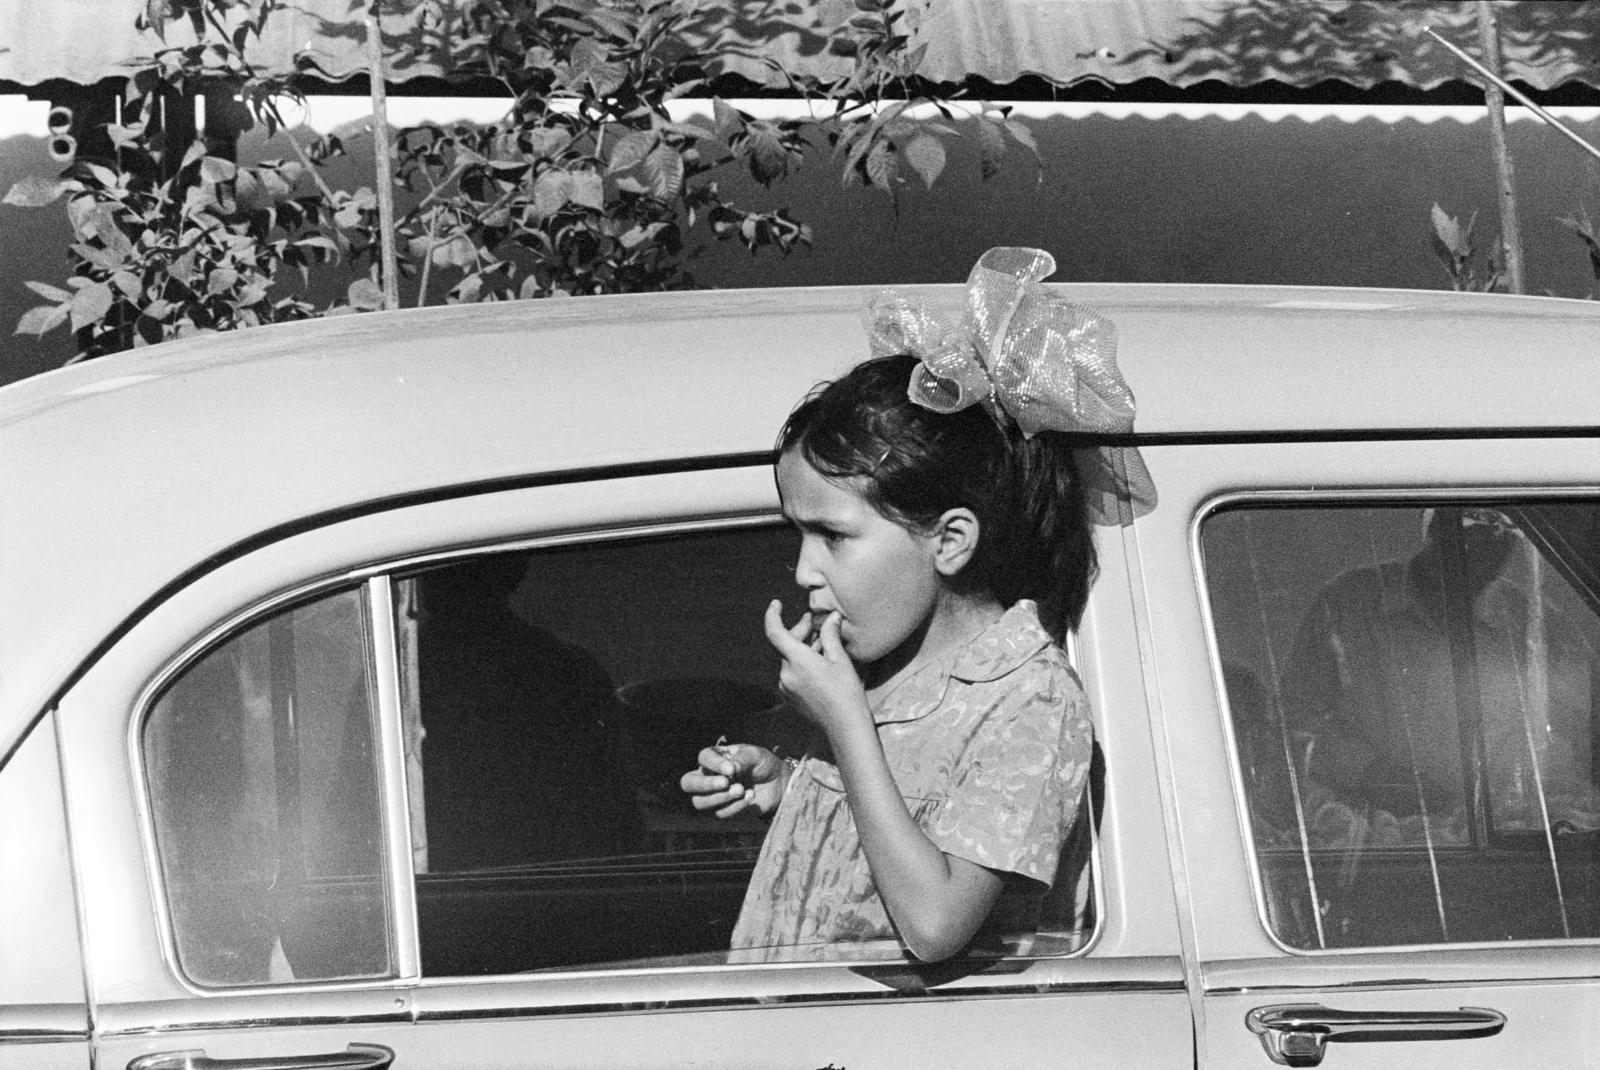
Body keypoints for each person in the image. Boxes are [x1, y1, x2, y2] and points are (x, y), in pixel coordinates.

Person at [680, 247, 1155, 963]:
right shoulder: (884, 670)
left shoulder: (1027, 699)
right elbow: (883, 832)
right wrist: (785, 787)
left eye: (833, 537)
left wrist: (841, 723)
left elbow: (935, 923)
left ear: (950, 540)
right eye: (798, 534)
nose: (804, 569)